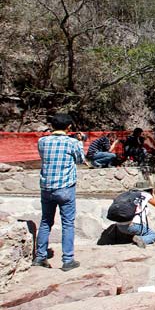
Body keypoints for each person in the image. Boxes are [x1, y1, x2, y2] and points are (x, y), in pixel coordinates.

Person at [32, 113, 85, 271]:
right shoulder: (72, 142)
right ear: (69, 127)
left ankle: (40, 257)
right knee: (68, 223)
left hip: (47, 188)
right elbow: (81, 160)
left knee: (46, 221)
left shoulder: (42, 141)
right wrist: (80, 142)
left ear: (52, 126)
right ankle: (68, 260)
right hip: (65, 188)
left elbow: (43, 157)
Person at [115, 182, 155, 248]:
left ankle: (133, 237)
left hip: (119, 226)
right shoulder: (145, 195)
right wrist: (152, 193)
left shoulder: (129, 195)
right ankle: (142, 239)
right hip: (133, 226)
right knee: (153, 235)